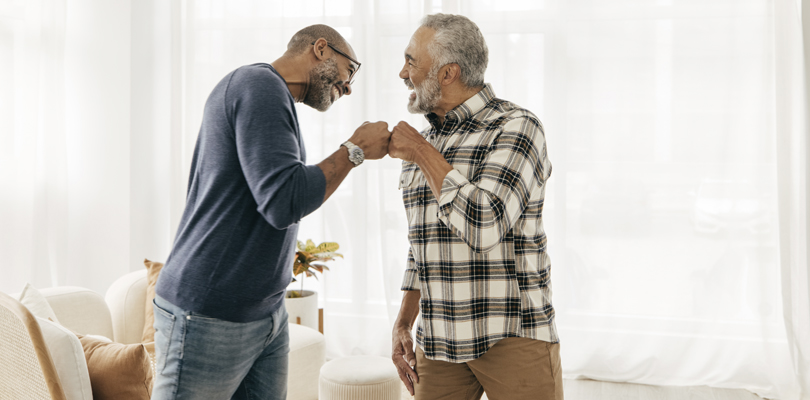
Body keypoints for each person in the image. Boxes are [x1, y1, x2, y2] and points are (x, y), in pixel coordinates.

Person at [151, 25, 390, 400]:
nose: (348, 87)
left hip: (265, 313)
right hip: (210, 314)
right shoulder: (258, 86)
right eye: (351, 71)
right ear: (321, 49)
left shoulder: (271, 95)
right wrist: (354, 150)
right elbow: (283, 201)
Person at [388, 14, 563, 400]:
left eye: (412, 61)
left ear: (448, 73)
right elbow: (423, 242)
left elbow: (484, 225)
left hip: (511, 334)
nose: (403, 72)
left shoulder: (516, 127)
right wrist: (404, 321)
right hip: (438, 339)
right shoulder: (427, 139)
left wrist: (420, 151)